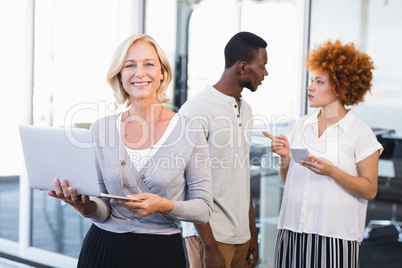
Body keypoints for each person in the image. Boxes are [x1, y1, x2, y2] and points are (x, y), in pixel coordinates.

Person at [46, 34, 213, 268]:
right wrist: (85, 207)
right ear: (120, 75)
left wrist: (164, 205)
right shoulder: (101, 129)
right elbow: (103, 209)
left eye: (149, 64)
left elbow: (204, 209)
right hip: (103, 249)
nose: (139, 72)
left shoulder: (190, 131)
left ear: (163, 73)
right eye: (130, 65)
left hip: (160, 253)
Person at [263, 40, 383, 268]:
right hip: (292, 231)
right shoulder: (301, 125)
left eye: (319, 82)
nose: (310, 87)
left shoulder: (360, 133)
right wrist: (285, 158)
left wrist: (332, 172)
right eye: (311, 81)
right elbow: (290, 182)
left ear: (340, 87)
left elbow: (370, 189)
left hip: (335, 237)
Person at [180, 31, 269, 268]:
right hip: (210, 237)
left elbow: (241, 176)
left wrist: (252, 233)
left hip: (240, 236)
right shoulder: (196, 110)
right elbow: (187, 183)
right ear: (242, 67)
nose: (265, 73)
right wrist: (208, 246)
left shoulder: (246, 109)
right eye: (262, 66)